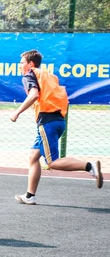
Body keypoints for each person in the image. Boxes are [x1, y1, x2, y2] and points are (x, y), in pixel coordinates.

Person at [10, 49, 103, 205]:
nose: (20, 66)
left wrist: (17, 112)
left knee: (52, 162)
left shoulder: (29, 74)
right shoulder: (48, 76)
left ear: (30, 64)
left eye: (22, 63)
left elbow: (33, 96)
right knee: (33, 157)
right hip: (58, 120)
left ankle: (89, 166)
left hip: (47, 123)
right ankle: (30, 195)